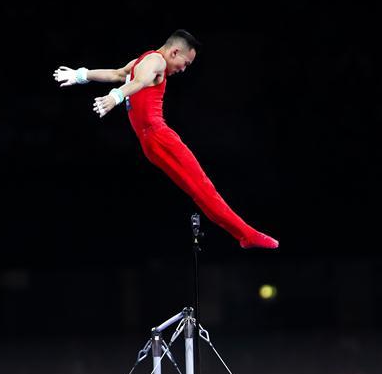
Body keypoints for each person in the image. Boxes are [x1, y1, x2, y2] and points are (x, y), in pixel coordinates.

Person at [53, 30, 278, 249]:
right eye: (186, 63)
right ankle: (246, 234)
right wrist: (116, 97)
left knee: (198, 192)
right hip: (159, 137)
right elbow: (138, 82)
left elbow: (116, 73)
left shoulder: (142, 60)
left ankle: (243, 235)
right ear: (174, 52)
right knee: (203, 188)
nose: (183, 69)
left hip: (150, 143)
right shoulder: (157, 61)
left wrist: (81, 75)